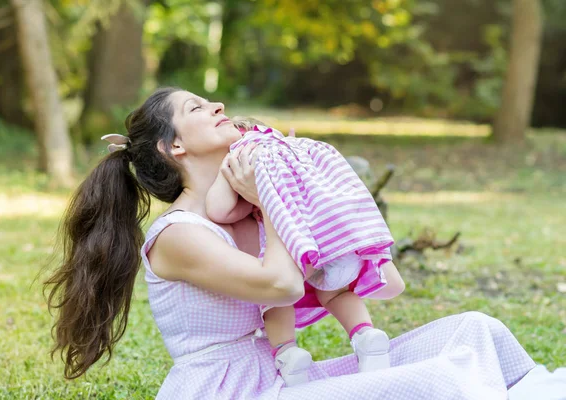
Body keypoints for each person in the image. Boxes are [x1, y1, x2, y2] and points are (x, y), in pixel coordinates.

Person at [45, 87, 536, 399]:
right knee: (439, 384)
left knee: (475, 329)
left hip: (283, 375)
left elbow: (390, 282)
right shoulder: (175, 236)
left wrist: (324, 194)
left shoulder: (251, 211)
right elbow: (280, 285)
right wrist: (274, 202)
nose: (218, 105)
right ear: (174, 147)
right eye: (196, 107)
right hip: (229, 390)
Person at [205, 121, 396, 385]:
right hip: (337, 244)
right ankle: (365, 334)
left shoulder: (243, 155)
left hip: (297, 250)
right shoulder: (298, 149)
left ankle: (287, 353)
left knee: (275, 300)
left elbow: (219, 210)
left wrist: (240, 192)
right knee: (338, 292)